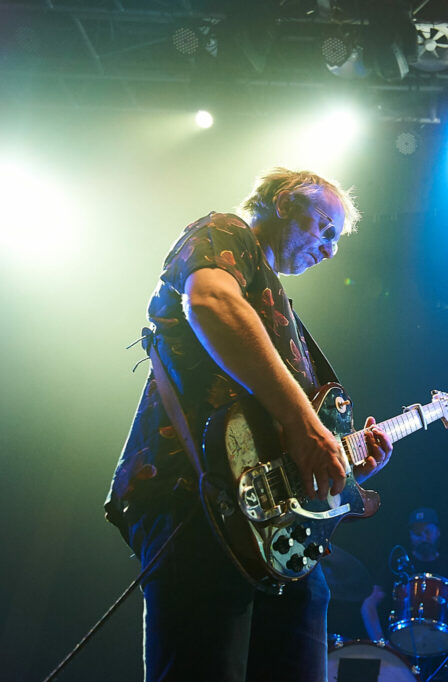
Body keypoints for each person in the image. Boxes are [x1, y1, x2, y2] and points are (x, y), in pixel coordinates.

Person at [105, 168, 394, 682]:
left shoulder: (279, 311)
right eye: (325, 229)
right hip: (200, 503)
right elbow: (210, 302)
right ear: (284, 201)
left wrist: (340, 470)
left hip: (279, 537)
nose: (329, 251)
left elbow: (282, 444)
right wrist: (307, 427)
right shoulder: (223, 233)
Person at [360, 507, 448, 645]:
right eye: (417, 532)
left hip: (446, 645)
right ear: (410, 535)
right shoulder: (397, 565)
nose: (423, 537)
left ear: (438, 532)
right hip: (403, 644)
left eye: (427, 531)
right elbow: (369, 604)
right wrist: (380, 643)